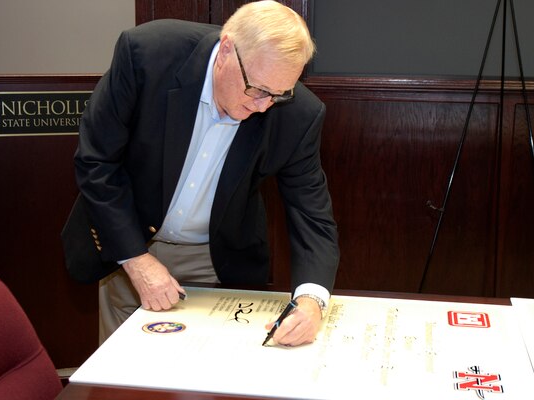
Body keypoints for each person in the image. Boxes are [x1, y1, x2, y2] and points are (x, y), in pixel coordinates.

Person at [73, 0, 339, 346]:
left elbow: (312, 215)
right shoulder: (147, 55)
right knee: (124, 371)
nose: (263, 106)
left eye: (279, 94)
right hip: (132, 239)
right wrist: (136, 260)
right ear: (227, 49)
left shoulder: (298, 114)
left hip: (221, 253)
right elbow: (97, 161)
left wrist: (312, 300)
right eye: (257, 89)